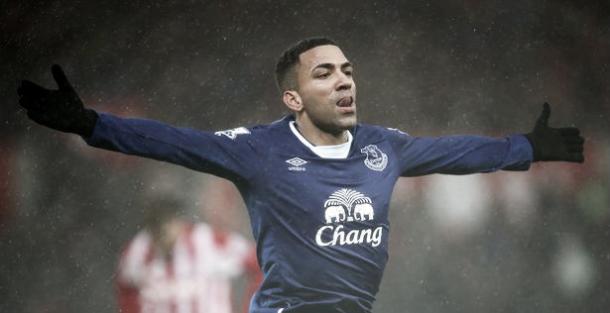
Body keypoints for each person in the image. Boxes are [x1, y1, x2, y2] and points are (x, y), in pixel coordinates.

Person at [17, 37, 584, 313]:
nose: (343, 82)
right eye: (324, 73)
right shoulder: (258, 151)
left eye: (347, 70)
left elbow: (454, 152)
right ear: (292, 97)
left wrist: (527, 146)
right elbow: (173, 142)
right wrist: (90, 124)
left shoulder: (382, 148)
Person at [116, 196, 260, 313]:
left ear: (179, 222)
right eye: (156, 228)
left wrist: (255, 308)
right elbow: (126, 291)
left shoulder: (208, 241)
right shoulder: (136, 251)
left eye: (166, 226)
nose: (162, 234)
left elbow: (260, 264)